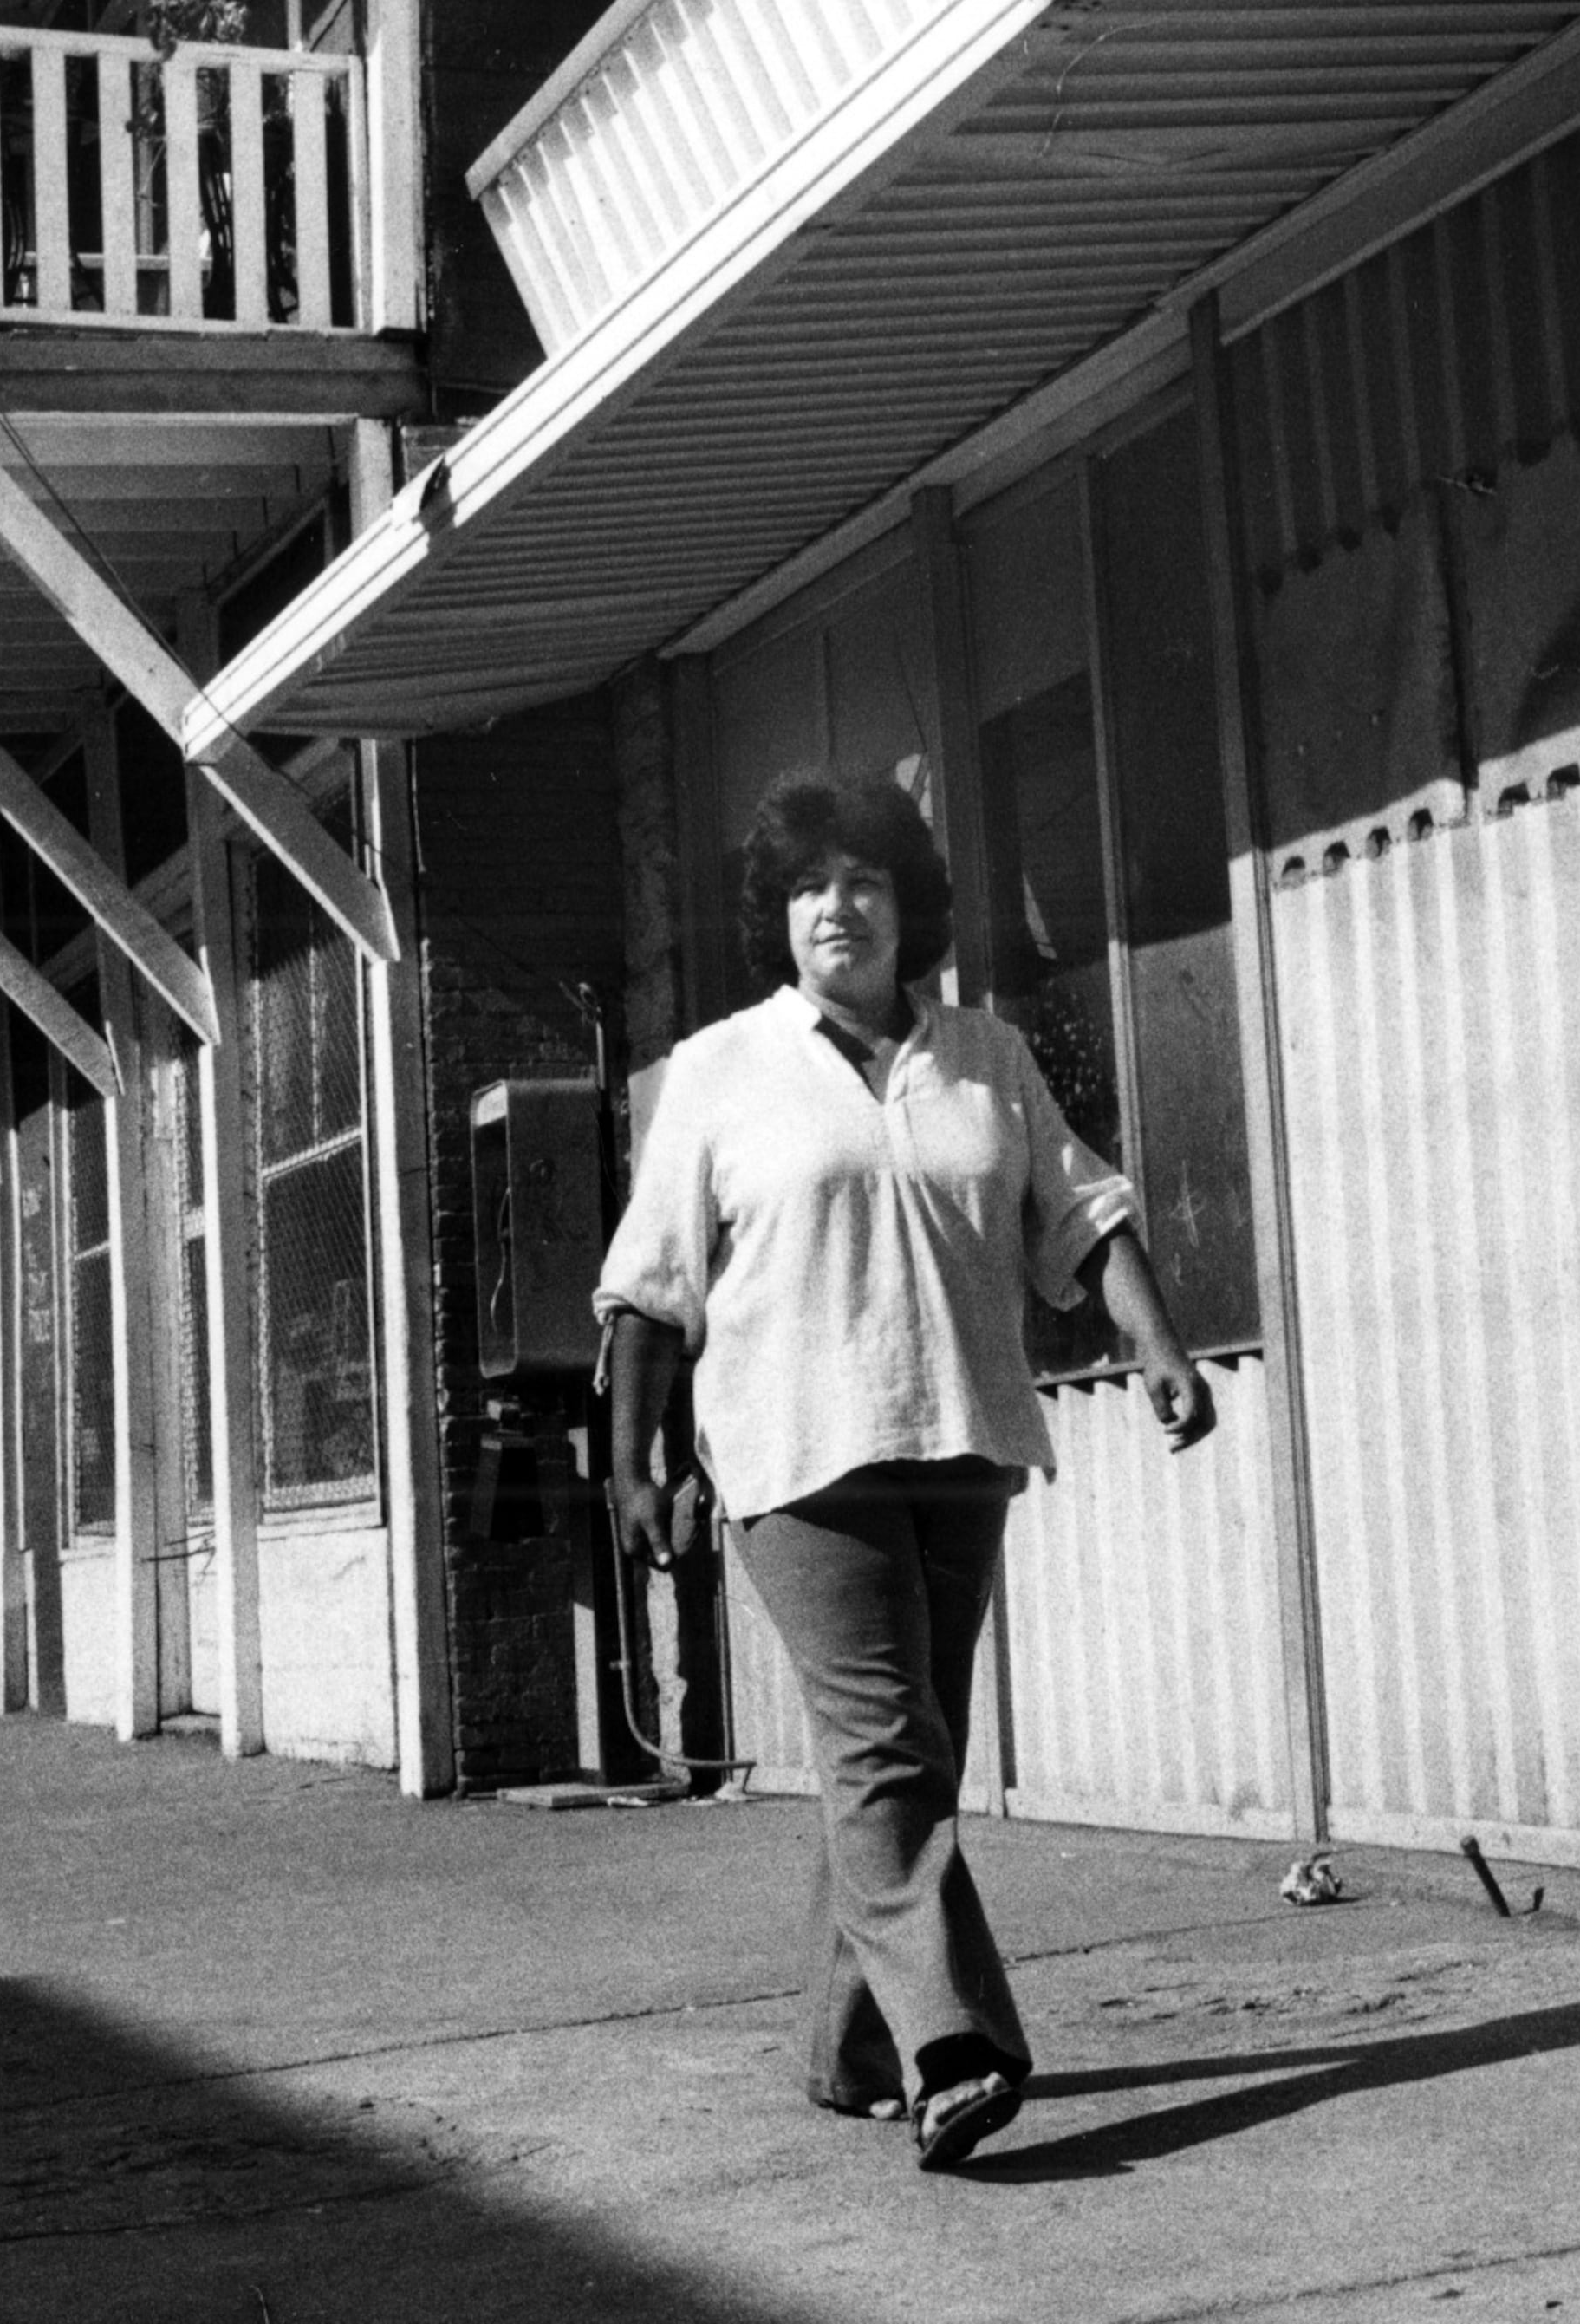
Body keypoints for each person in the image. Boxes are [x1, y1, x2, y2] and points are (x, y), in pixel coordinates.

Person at [596, 771, 1213, 2173]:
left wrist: (1160, 1346)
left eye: (865, 882)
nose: (839, 908)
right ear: (781, 915)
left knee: (901, 1754)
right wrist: (632, 1461)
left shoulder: (987, 1054)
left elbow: (1084, 1211)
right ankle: (956, 2046)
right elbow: (648, 1283)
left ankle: (842, 2045)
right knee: (887, 1745)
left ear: (907, 908)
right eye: (811, 887)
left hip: (961, 1436)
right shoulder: (721, 1068)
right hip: (796, 1453)